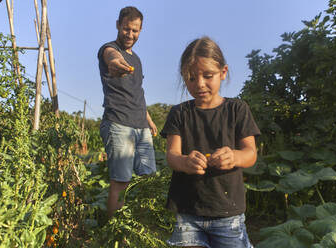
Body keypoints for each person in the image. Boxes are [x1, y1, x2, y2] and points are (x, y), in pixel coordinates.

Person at [160, 36, 260, 248]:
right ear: (183, 77)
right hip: (187, 213)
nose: (200, 84)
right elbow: (172, 155)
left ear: (223, 73)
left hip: (227, 214)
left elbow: (250, 153)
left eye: (208, 76)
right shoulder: (179, 113)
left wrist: (234, 157)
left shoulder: (237, 110)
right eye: (191, 78)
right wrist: (185, 162)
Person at [98, 6, 157, 217]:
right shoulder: (108, 48)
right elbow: (111, 56)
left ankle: (140, 227)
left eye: (135, 30)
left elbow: (138, 92)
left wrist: (149, 119)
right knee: (121, 182)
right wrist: (114, 62)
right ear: (118, 25)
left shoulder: (137, 60)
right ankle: (116, 232)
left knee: (148, 180)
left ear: (140, 30)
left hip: (142, 127)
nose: (130, 34)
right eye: (126, 29)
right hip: (118, 124)